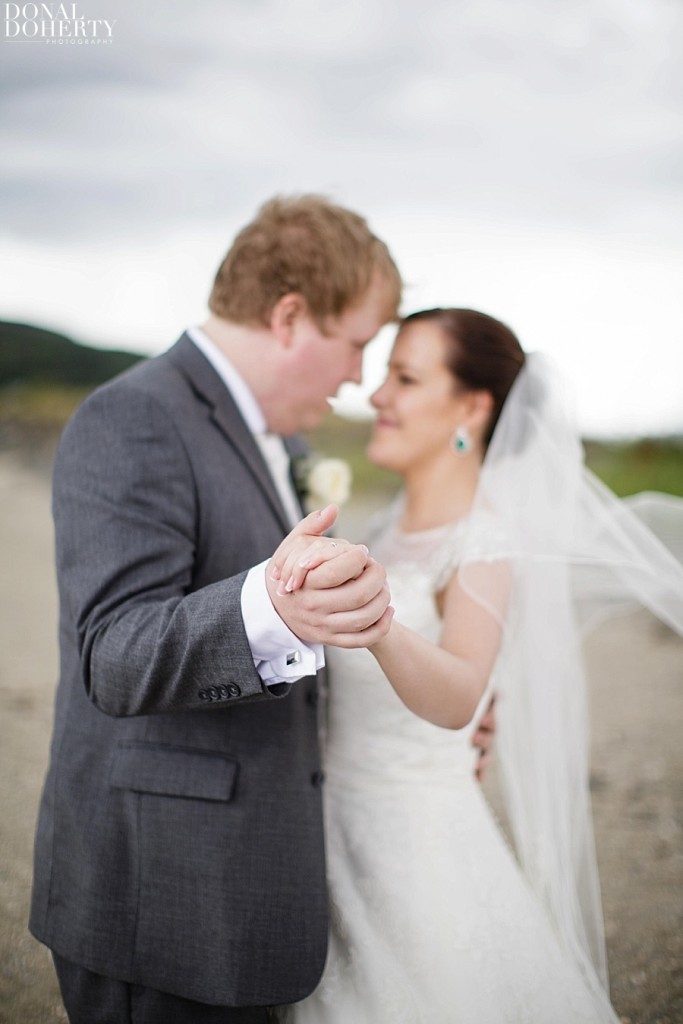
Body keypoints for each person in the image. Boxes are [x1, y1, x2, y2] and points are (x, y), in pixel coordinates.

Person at [29, 194, 404, 1023]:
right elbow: (113, 653)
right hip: (163, 899)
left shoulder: (289, 444)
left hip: (253, 883)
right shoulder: (133, 415)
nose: (357, 374)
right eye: (358, 343)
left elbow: (303, 644)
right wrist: (270, 604)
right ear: (291, 317)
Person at [273, 308, 683, 1023]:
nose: (377, 396)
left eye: (404, 378)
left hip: (416, 852)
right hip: (331, 836)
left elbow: (462, 690)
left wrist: (374, 621)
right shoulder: (389, 521)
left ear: (471, 406)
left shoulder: (484, 538)